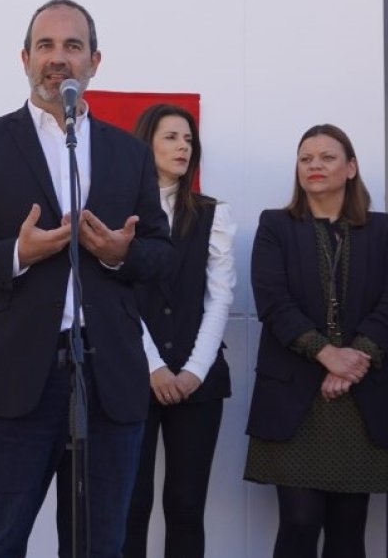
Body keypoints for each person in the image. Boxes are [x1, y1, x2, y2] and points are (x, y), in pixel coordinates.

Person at [0, 0, 174, 558]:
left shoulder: (129, 153)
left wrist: (118, 254)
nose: (58, 58)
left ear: (95, 61)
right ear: (25, 58)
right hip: (11, 380)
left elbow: (162, 257)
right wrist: (17, 253)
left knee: (98, 547)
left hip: (108, 380)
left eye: (72, 46)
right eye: (46, 45)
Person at [245, 124, 388, 558]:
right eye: (305, 159)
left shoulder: (383, 229)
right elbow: (273, 302)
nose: (314, 165)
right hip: (296, 397)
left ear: (351, 167)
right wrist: (326, 353)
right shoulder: (275, 226)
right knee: (298, 522)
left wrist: (354, 361)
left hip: (361, 397)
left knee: (349, 527)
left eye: (327, 157)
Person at [121, 104, 236, 558]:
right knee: (131, 505)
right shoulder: (118, 213)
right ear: (145, 143)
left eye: (188, 139)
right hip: (132, 375)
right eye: (171, 137)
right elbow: (116, 296)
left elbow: (220, 298)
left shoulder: (213, 214)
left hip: (199, 380)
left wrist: (194, 371)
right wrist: (153, 367)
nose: (183, 147)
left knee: (187, 505)